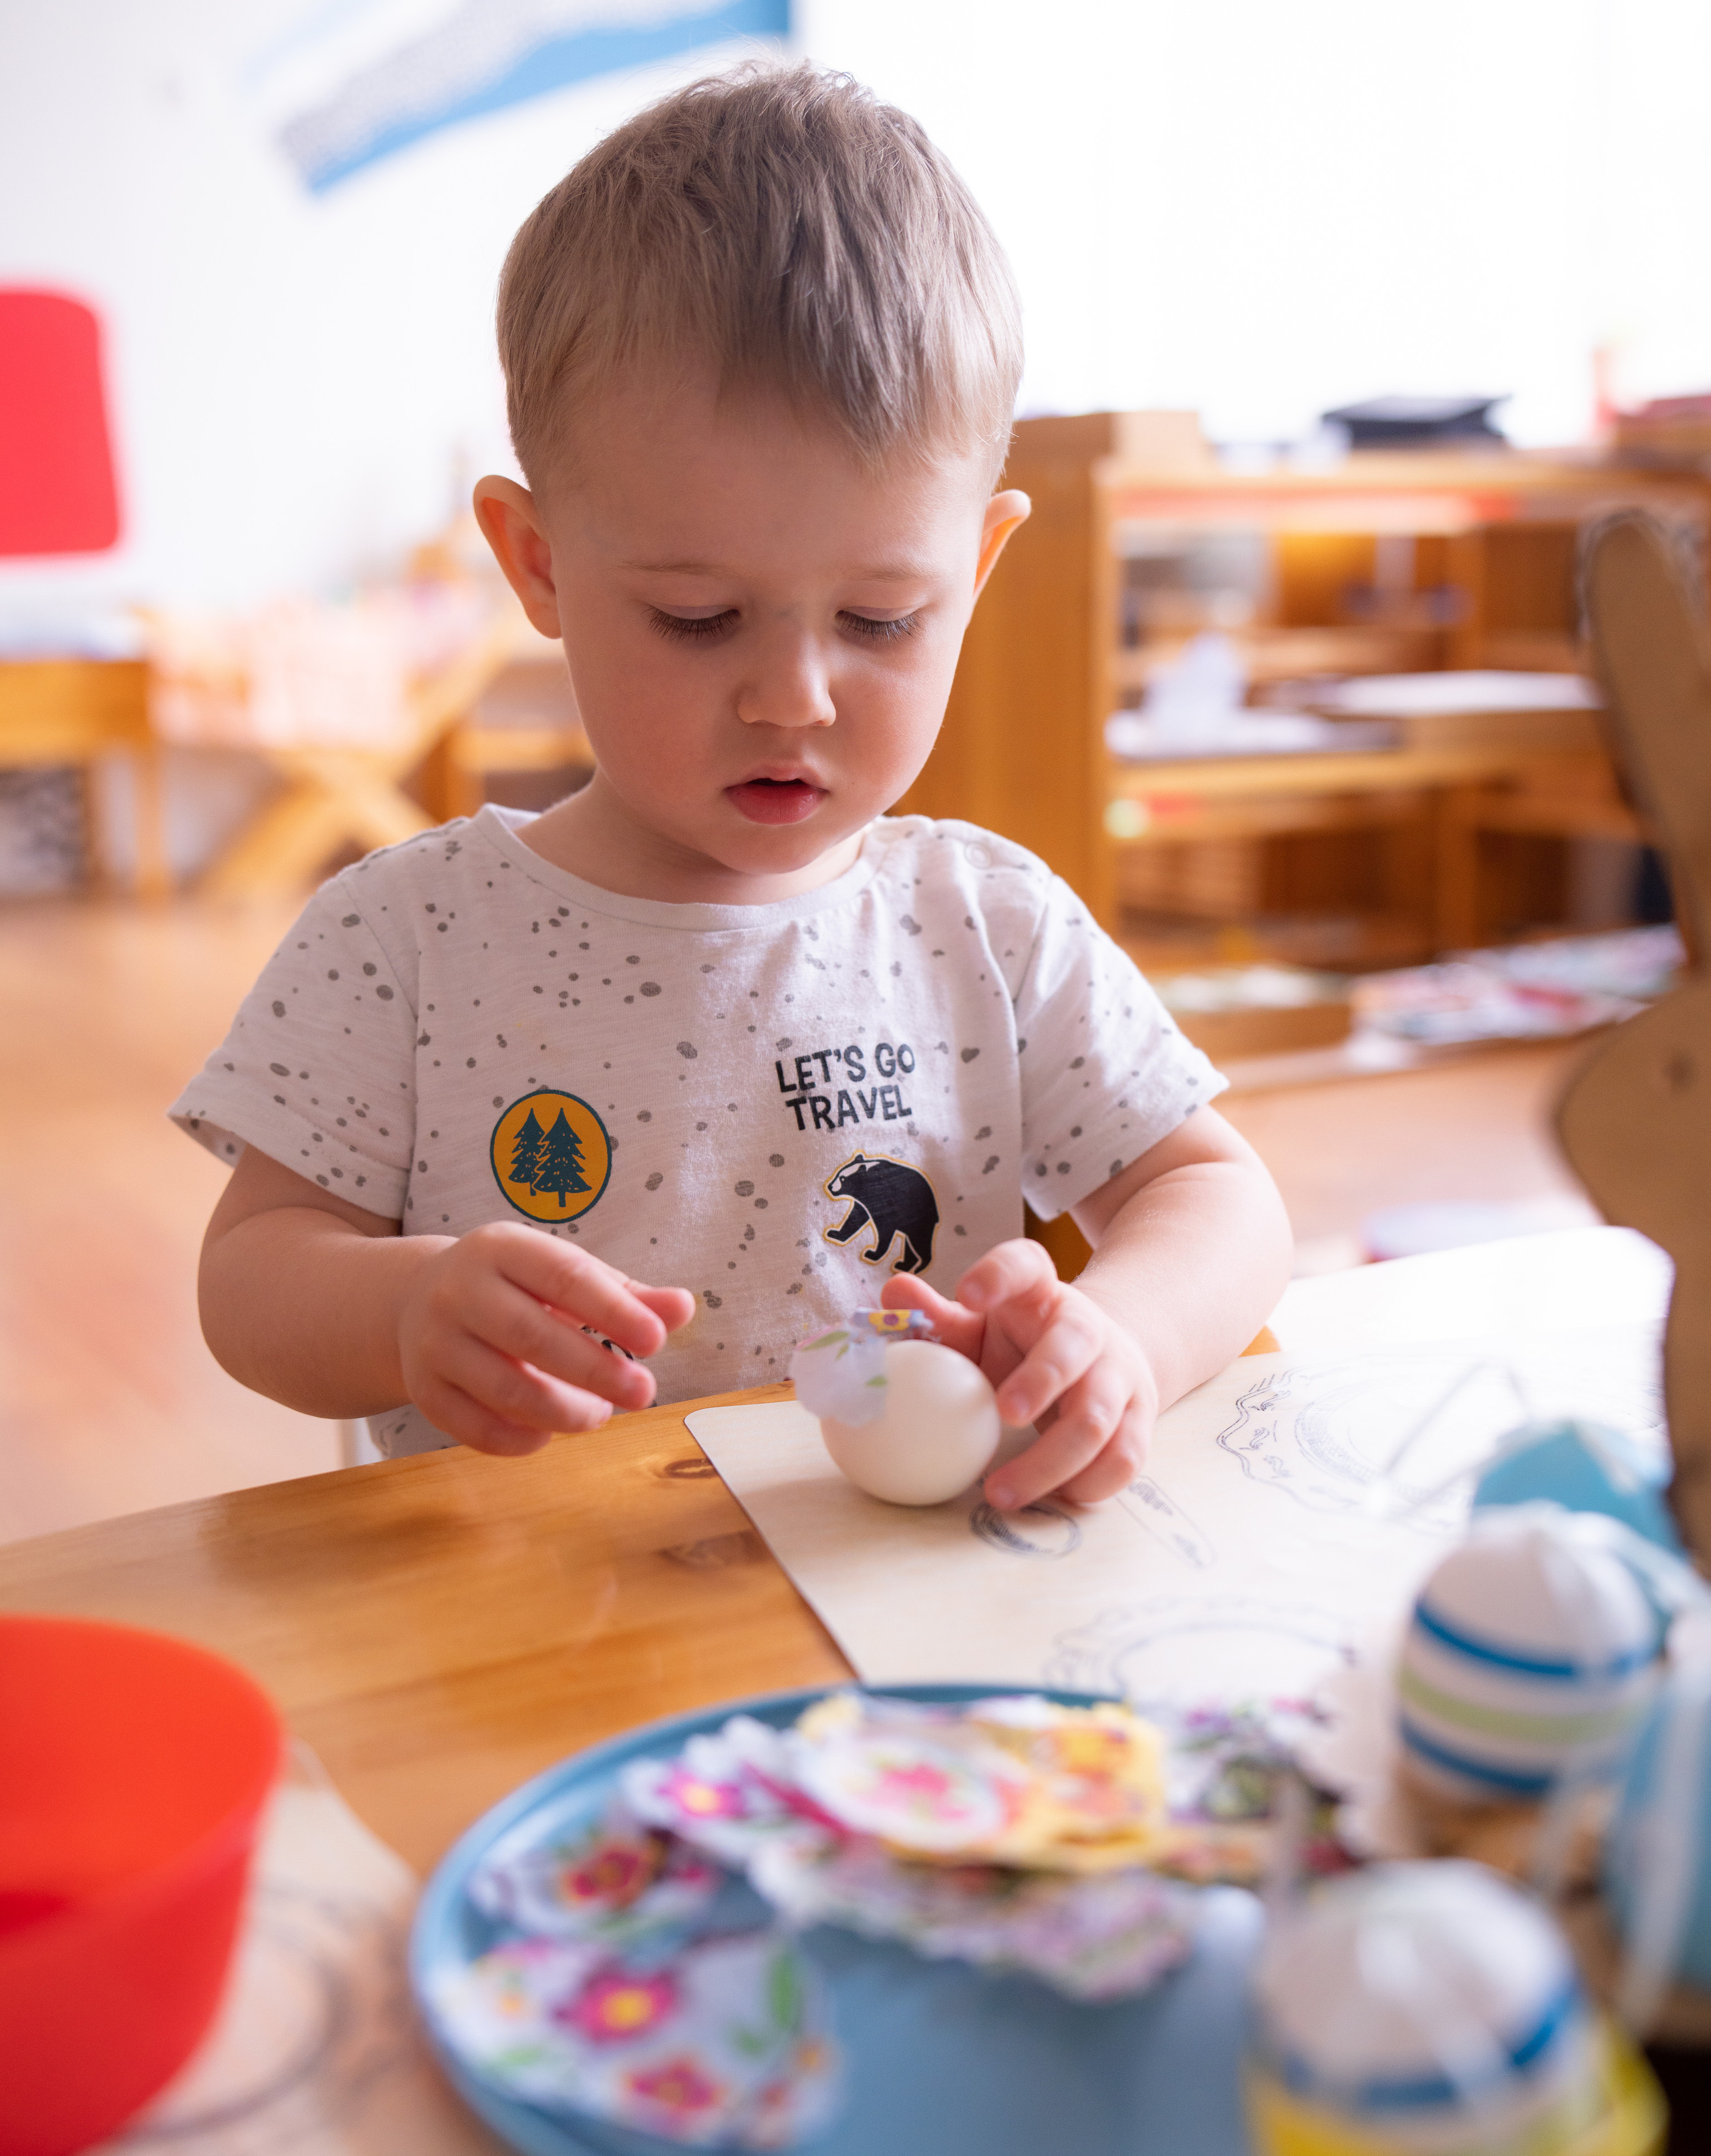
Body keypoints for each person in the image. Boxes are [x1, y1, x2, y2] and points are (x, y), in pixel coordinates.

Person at [176, 63, 1291, 1512]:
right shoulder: (405, 937)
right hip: (540, 1626)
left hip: (894, 1609)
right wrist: (401, 1310)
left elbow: (1215, 1195)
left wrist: (1121, 1338)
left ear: (977, 572)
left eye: (881, 620)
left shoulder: (988, 925)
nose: (793, 696)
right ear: (540, 567)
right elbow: (250, 1276)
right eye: (698, 618)